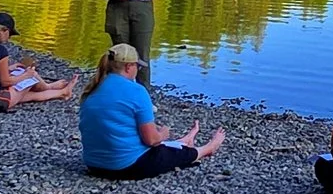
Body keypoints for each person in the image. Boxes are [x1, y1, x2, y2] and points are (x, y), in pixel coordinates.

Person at [77, 44, 223, 179]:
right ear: (128, 67)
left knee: (147, 143)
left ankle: (181, 142)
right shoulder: (136, 91)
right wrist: (163, 134)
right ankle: (206, 149)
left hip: (94, 165)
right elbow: (152, 140)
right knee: (163, 154)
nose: (138, 70)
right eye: (137, 66)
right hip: (124, 167)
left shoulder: (92, 89)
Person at [0, 11, 75, 111]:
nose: (9, 38)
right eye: (10, 34)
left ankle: (61, 92)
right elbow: (5, 82)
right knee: (31, 77)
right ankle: (50, 87)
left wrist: (8, 69)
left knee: (28, 95)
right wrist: (27, 75)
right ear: (3, 30)